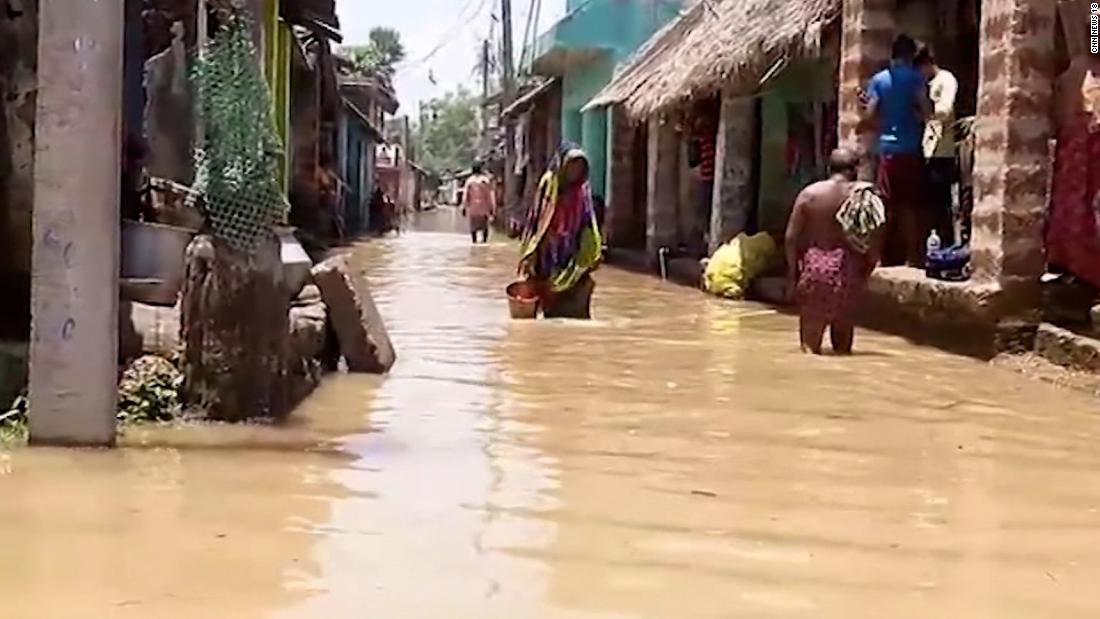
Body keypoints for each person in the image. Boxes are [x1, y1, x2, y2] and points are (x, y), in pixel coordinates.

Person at [785, 147, 883, 355]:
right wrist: (867, 268)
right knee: (843, 347)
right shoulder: (862, 196)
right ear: (854, 170)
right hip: (848, 270)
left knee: (810, 348)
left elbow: (791, 238)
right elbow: (874, 238)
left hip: (815, 268)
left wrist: (793, 274)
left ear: (829, 167)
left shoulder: (810, 194)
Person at [862, 34, 932, 266]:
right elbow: (926, 111)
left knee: (885, 205)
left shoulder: (878, 80)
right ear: (911, 55)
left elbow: (871, 115)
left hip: (887, 149)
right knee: (910, 207)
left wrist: (882, 121)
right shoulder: (916, 78)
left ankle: (878, 259)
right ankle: (913, 259)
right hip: (911, 148)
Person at [518, 145, 603, 319]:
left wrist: (594, 250)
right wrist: (531, 251)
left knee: (576, 296)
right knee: (548, 295)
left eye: (579, 167)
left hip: (573, 249)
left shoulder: (582, 189)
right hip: (547, 250)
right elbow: (536, 217)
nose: (575, 171)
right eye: (571, 165)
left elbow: (588, 220)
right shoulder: (549, 182)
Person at [1047, 52, 1100, 290]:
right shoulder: (1081, 70)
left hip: (1090, 148)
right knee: (1074, 209)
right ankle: (1076, 269)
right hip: (1080, 149)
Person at [916, 44, 959, 247]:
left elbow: (944, 111)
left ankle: (947, 246)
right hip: (927, 150)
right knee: (928, 204)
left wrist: (925, 105)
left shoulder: (946, 80)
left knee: (942, 205)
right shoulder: (927, 84)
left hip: (942, 151)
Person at [689, 111, 718, 256]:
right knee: (703, 214)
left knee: (703, 214)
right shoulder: (704, 141)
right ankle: (704, 245)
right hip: (707, 180)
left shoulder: (708, 141)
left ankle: (705, 246)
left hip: (709, 181)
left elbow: (694, 164)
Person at [462, 161, 496, 244]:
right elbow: (491, 195)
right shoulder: (485, 180)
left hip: (473, 208)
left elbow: (465, 195)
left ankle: (474, 242)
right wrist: (493, 208)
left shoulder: (469, 181)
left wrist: (463, 207)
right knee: (484, 226)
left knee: (473, 227)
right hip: (484, 208)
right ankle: (484, 242)